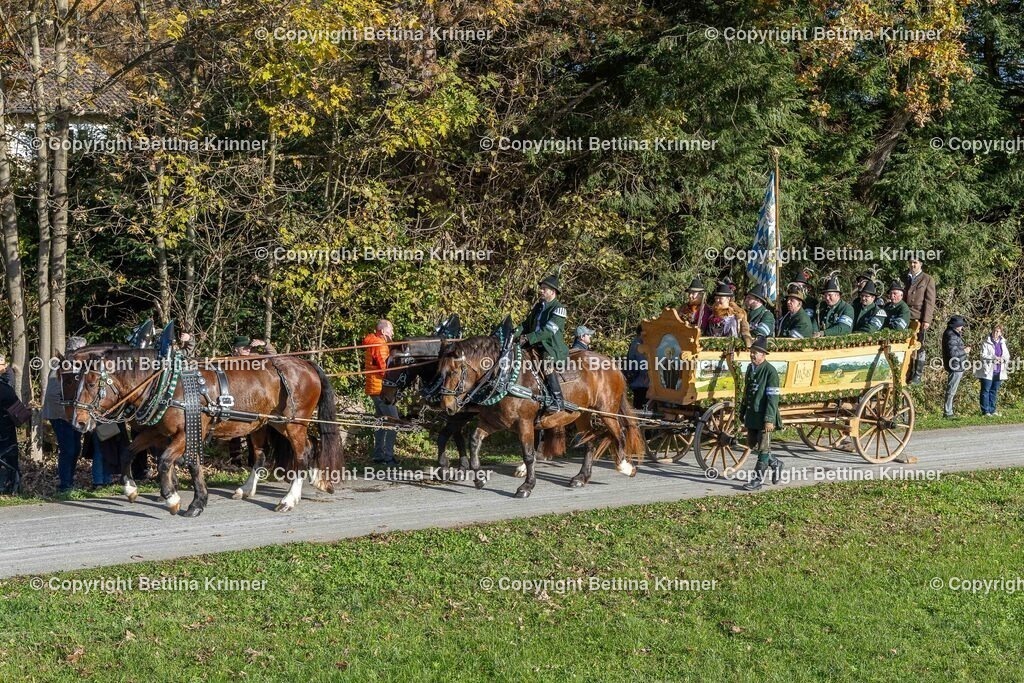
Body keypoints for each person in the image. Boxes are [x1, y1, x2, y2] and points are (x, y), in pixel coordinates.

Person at [517, 273, 571, 413]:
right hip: (533, 344)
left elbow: (548, 331)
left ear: (552, 292)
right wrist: (514, 333)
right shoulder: (538, 307)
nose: (541, 290)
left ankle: (558, 400)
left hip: (551, 347)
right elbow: (526, 324)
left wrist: (528, 338)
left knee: (546, 364)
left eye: (544, 288)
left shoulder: (559, 309)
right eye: (541, 288)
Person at [45, 336, 88, 492]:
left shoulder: (77, 365)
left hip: (73, 414)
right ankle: (65, 484)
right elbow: (52, 395)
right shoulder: (60, 365)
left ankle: (69, 481)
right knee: (68, 448)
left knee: (75, 448)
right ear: (73, 351)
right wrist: (66, 414)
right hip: (60, 415)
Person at [740, 336, 783, 491]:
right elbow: (746, 393)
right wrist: (742, 411)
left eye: (755, 353)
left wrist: (769, 419)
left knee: (764, 448)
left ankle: (757, 481)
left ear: (763, 355)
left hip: (765, 416)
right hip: (753, 415)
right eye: (751, 352)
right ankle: (776, 463)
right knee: (754, 445)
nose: (752, 355)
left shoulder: (770, 372)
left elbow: (773, 398)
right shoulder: (750, 369)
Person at [364, 319, 399, 465]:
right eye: (391, 329)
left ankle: (378, 455)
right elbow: (385, 370)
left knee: (380, 421)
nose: (393, 332)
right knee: (394, 421)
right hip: (381, 389)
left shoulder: (373, 342)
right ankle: (388, 457)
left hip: (374, 388)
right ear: (384, 331)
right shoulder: (380, 345)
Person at [905, 257, 937, 384]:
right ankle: (906, 372)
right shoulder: (906, 277)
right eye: (911, 262)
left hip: (919, 316)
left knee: (919, 346)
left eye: (915, 263)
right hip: (906, 316)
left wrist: (927, 319)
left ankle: (917, 374)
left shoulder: (927, 279)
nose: (912, 265)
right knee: (906, 345)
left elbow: (930, 301)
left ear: (920, 264)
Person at [974, 324, 1009, 417]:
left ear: (1001, 332)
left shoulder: (1003, 342)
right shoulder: (986, 342)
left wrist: (1003, 359)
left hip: (999, 370)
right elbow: (982, 356)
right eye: (994, 330)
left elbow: (1007, 355)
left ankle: (992, 410)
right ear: (992, 331)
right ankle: (985, 411)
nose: (995, 333)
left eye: (998, 331)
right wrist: (993, 358)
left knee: (994, 390)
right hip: (988, 370)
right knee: (985, 390)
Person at [941, 316, 971, 418]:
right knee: (951, 390)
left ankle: (949, 411)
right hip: (955, 365)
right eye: (961, 325)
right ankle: (948, 412)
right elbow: (953, 352)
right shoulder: (951, 335)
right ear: (957, 326)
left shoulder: (951, 333)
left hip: (956, 364)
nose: (962, 327)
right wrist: (964, 351)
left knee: (952, 389)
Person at [625, 326, 649, 410]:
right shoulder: (638, 344)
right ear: (641, 332)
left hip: (640, 381)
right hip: (640, 382)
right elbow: (641, 363)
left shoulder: (639, 343)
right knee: (640, 404)